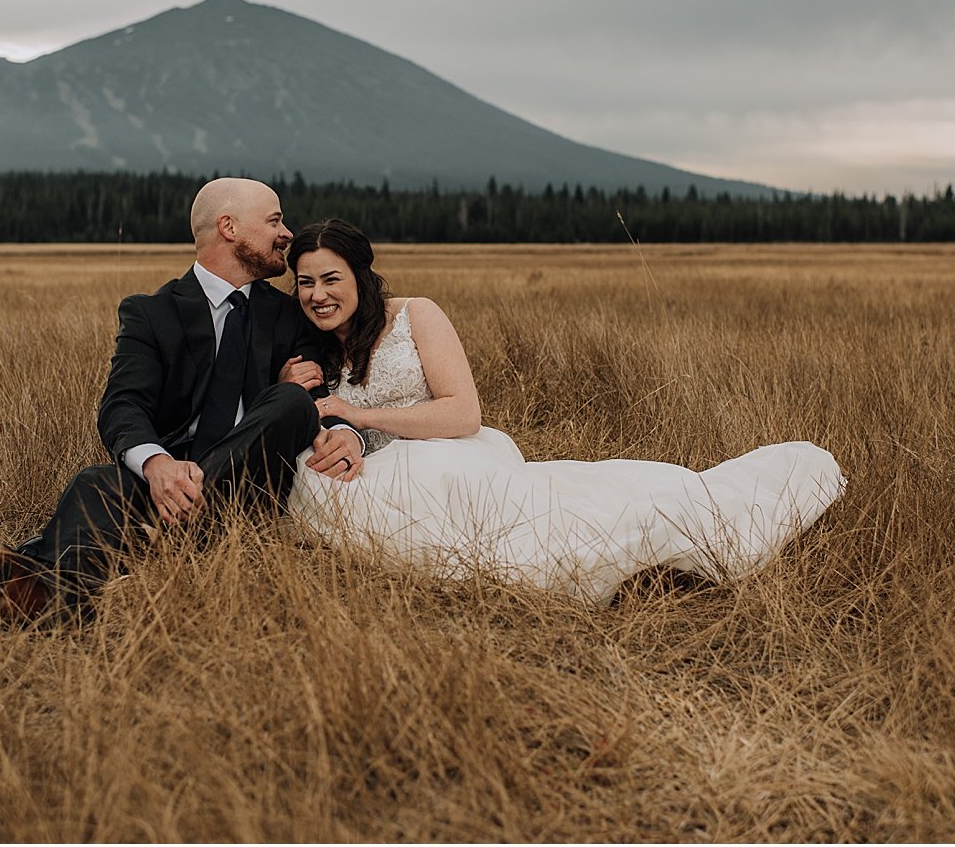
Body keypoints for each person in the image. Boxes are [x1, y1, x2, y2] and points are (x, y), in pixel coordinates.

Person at [281, 219, 846, 604]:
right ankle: (635, 569)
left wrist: (364, 416)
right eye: (305, 282)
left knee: (549, 520)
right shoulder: (305, 344)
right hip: (383, 477)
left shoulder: (416, 315)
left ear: (360, 276)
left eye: (332, 279)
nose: (318, 294)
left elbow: (463, 414)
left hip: (451, 454)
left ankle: (656, 549)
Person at [0, 179, 366, 623]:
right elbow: (123, 404)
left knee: (290, 401)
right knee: (95, 482)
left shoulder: (289, 314)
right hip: (171, 479)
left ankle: (42, 559)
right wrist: (158, 467)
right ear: (228, 227)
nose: (286, 232)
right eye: (274, 221)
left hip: (253, 486)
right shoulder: (151, 314)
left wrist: (342, 431)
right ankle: (51, 601)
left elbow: (322, 396)